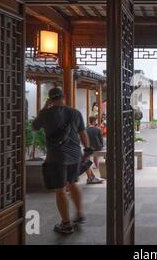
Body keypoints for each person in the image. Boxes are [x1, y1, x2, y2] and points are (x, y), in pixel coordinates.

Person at [32, 87, 93, 234]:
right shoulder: (75, 113)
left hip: (56, 157)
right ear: (64, 96)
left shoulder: (45, 114)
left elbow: (34, 127)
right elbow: (83, 134)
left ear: (50, 99)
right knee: (73, 183)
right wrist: (88, 149)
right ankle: (79, 214)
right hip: (74, 155)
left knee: (60, 189)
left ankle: (66, 224)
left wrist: (45, 107)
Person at [85, 116, 105, 185]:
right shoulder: (98, 129)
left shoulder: (86, 130)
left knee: (87, 158)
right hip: (98, 147)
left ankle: (91, 176)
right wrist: (101, 146)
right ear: (94, 122)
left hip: (89, 147)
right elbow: (101, 141)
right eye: (96, 121)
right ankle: (96, 165)